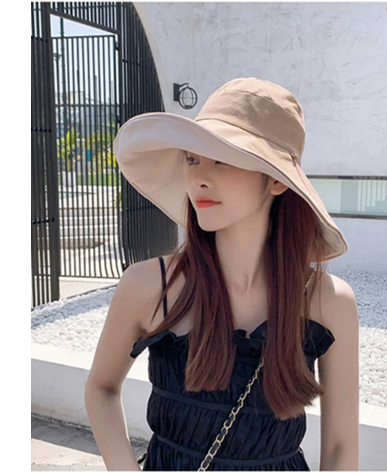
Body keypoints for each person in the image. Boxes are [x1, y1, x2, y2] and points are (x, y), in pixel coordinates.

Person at [84, 77, 359, 471]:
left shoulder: (327, 301)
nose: (199, 177)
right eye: (192, 159)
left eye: (222, 159)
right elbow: (101, 388)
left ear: (276, 179)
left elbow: (340, 447)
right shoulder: (150, 286)